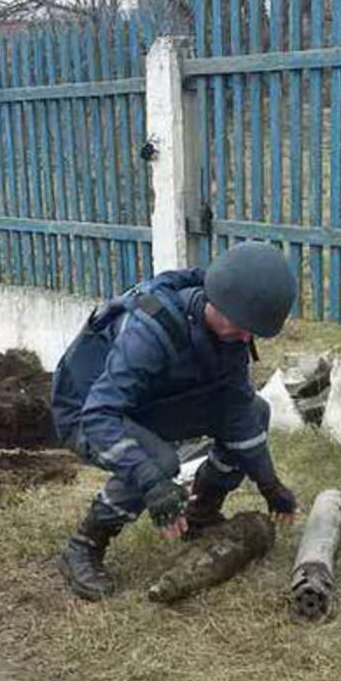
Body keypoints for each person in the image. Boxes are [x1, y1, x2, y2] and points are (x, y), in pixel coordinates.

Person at [50, 241, 300, 601]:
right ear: (217, 301)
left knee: (257, 411)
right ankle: (84, 544)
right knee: (159, 462)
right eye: (242, 327)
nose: (247, 338)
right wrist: (153, 484)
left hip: (146, 404)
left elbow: (238, 411)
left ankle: (201, 511)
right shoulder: (150, 330)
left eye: (253, 332)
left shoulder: (228, 332)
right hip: (87, 411)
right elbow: (99, 414)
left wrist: (269, 484)